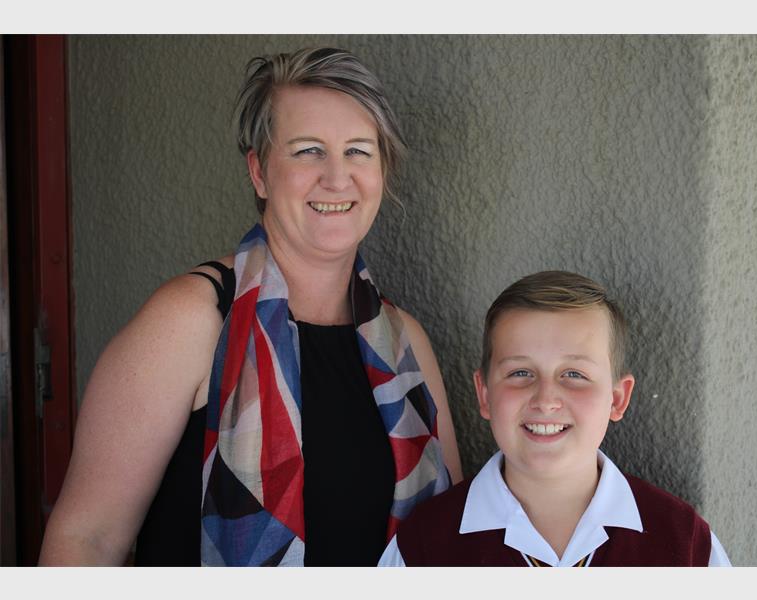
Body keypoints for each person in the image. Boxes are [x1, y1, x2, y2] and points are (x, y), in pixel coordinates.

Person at [39, 47, 462, 567]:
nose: (337, 177)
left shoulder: (407, 344)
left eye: (358, 151)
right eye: (308, 151)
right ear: (259, 172)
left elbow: (453, 537)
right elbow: (88, 540)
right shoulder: (190, 320)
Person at [379, 271, 730, 567]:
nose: (546, 399)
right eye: (520, 373)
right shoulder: (422, 547)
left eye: (574, 374)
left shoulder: (686, 545)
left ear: (617, 399)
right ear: (484, 394)